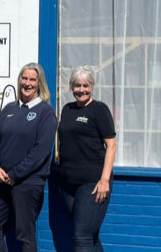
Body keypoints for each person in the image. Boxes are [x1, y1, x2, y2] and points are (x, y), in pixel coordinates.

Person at [0, 63, 58, 252]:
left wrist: (14, 174)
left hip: (27, 183)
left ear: (39, 83)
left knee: (24, 235)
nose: (27, 83)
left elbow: (41, 152)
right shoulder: (9, 108)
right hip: (2, 180)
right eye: (24, 78)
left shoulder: (45, 113)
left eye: (32, 79)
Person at [57, 66, 117, 252]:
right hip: (68, 185)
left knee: (81, 237)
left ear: (92, 86)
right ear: (71, 87)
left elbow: (112, 145)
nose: (81, 90)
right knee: (89, 236)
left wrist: (104, 179)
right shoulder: (67, 109)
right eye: (77, 85)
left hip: (92, 183)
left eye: (85, 85)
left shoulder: (99, 109)